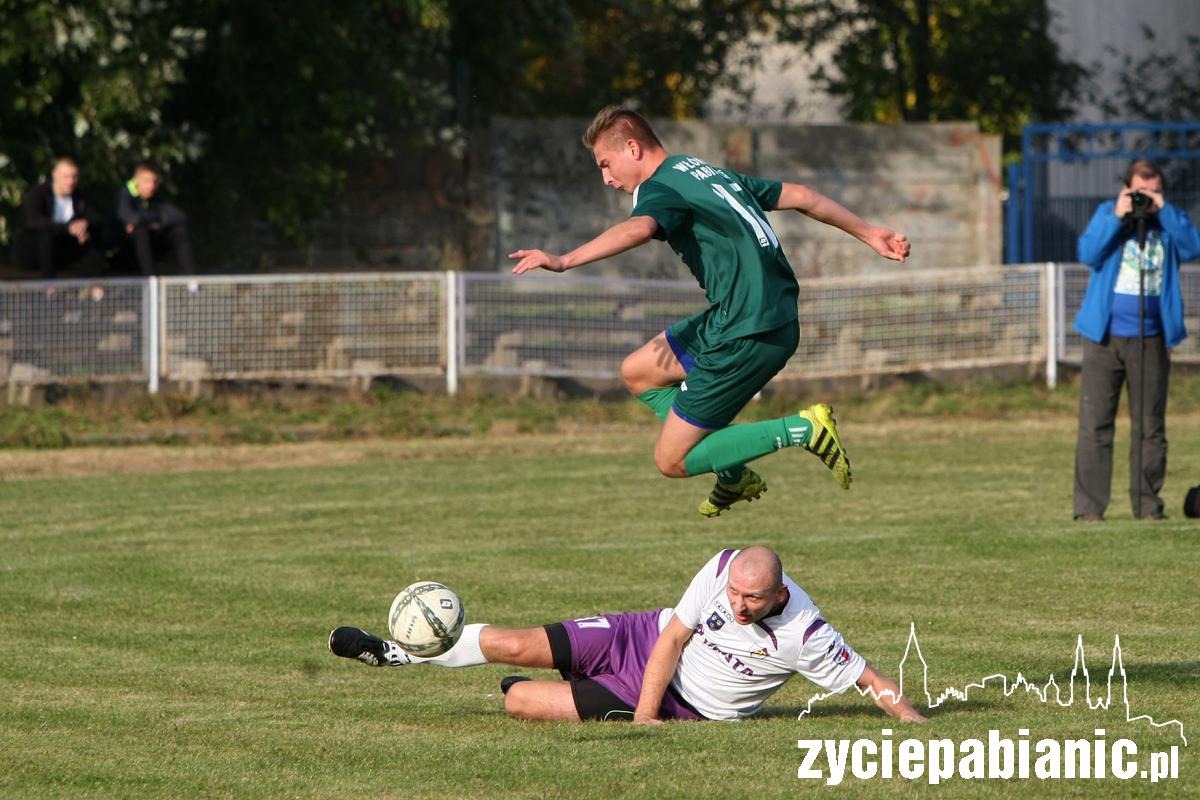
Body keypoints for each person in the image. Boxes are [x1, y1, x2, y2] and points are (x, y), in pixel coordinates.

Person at [509, 107, 910, 517]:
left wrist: (564, 260)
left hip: (747, 329)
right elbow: (804, 195)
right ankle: (732, 472)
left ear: (632, 148)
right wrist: (869, 233)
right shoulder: (706, 173)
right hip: (752, 316)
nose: (606, 179)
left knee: (671, 460)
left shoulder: (658, 187)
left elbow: (639, 228)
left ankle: (803, 429)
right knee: (639, 371)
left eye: (605, 164)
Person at [329, 545, 927, 724]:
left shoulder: (806, 633)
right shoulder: (723, 567)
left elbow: (868, 678)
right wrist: (643, 717)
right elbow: (671, 638)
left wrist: (914, 721)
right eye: (734, 596)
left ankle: (555, 688)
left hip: (684, 703)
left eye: (752, 600)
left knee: (518, 700)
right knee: (514, 644)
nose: (738, 607)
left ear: (778, 595)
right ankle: (399, 652)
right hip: (641, 638)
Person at [1073, 159, 1200, 521]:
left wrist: (1163, 210)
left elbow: (1193, 246)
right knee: (1095, 424)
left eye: (1154, 191)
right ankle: (1089, 509)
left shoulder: (1168, 223)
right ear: (1126, 188)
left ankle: (1147, 505)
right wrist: (1118, 215)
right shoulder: (1108, 214)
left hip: (1152, 338)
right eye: (1140, 191)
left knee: (1150, 427)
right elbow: (1088, 253)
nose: (1146, 198)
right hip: (1104, 338)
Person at [15, 158, 106, 278]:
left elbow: (96, 217)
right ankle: (49, 283)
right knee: (46, 234)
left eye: (74, 177)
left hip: (61, 251)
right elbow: (34, 221)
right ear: (55, 175)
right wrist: (67, 228)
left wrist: (84, 223)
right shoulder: (38, 192)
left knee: (91, 233)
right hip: (32, 252)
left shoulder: (79, 196)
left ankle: (96, 282)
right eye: (66, 177)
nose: (71, 181)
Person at [114, 162, 195, 275]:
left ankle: (190, 278)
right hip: (123, 251)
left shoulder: (156, 196)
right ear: (136, 181)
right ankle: (149, 279)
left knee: (179, 230)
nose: (151, 186)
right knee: (141, 230)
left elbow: (181, 217)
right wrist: (153, 219)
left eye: (154, 182)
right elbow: (131, 218)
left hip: (152, 248)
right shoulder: (124, 195)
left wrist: (156, 222)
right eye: (147, 181)